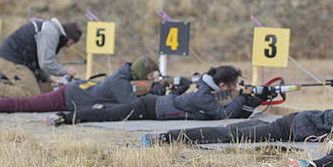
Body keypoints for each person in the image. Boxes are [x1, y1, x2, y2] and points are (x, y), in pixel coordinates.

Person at [145, 66, 333, 146]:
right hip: (291, 127)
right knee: (229, 134)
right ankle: (167, 137)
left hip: (298, 128)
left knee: (234, 130)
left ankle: (169, 137)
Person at [48, 65, 264, 126]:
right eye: (233, 85)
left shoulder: (207, 91)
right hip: (148, 108)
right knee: (106, 114)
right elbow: (222, 115)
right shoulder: (204, 96)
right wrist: (244, 99)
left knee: (107, 112)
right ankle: (66, 117)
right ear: (223, 84)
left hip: (153, 106)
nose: (235, 88)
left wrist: (250, 100)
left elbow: (224, 109)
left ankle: (68, 116)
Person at [0, 56, 158, 115]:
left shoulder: (122, 77)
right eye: (149, 77)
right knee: (25, 105)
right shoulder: (120, 82)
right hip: (69, 97)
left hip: (74, 93)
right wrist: (155, 94)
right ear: (142, 74)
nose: (149, 80)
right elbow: (133, 107)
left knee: (28, 102)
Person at [0, 18, 82, 99]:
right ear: (68, 37)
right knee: (32, 94)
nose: (69, 46)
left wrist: (45, 77)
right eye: (71, 43)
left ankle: (0, 83)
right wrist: (65, 71)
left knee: (44, 87)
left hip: (18, 60)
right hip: (12, 60)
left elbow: (39, 60)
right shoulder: (51, 33)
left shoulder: (51, 30)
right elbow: (46, 63)